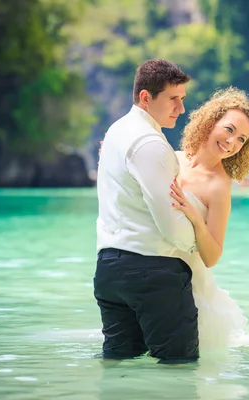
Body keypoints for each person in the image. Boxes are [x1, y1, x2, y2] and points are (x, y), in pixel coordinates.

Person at [93, 59, 200, 362]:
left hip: (109, 269)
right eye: (173, 99)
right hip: (151, 272)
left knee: (118, 367)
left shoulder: (115, 132)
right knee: (179, 370)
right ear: (145, 97)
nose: (180, 109)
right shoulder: (149, 143)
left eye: (182, 99)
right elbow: (168, 222)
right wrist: (199, 244)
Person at [169, 87, 249, 352]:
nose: (232, 142)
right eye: (229, 130)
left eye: (242, 139)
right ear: (210, 122)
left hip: (187, 287)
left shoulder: (219, 186)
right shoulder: (171, 159)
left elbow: (213, 256)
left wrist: (196, 219)